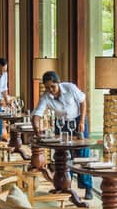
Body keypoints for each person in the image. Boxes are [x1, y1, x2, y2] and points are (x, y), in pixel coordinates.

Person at [31, 70, 93, 198]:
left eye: (52, 86)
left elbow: (83, 102)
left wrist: (81, 121)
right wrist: (36, 128)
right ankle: (65, 186)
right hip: (61, 124)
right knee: (64, 156)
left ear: (58, 83)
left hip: (77, 120)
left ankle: (88, 188)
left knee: (82, 156)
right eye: (47, 88)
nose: (50, 90)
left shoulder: (70, 88)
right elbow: (37, 114)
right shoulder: (46, 96)